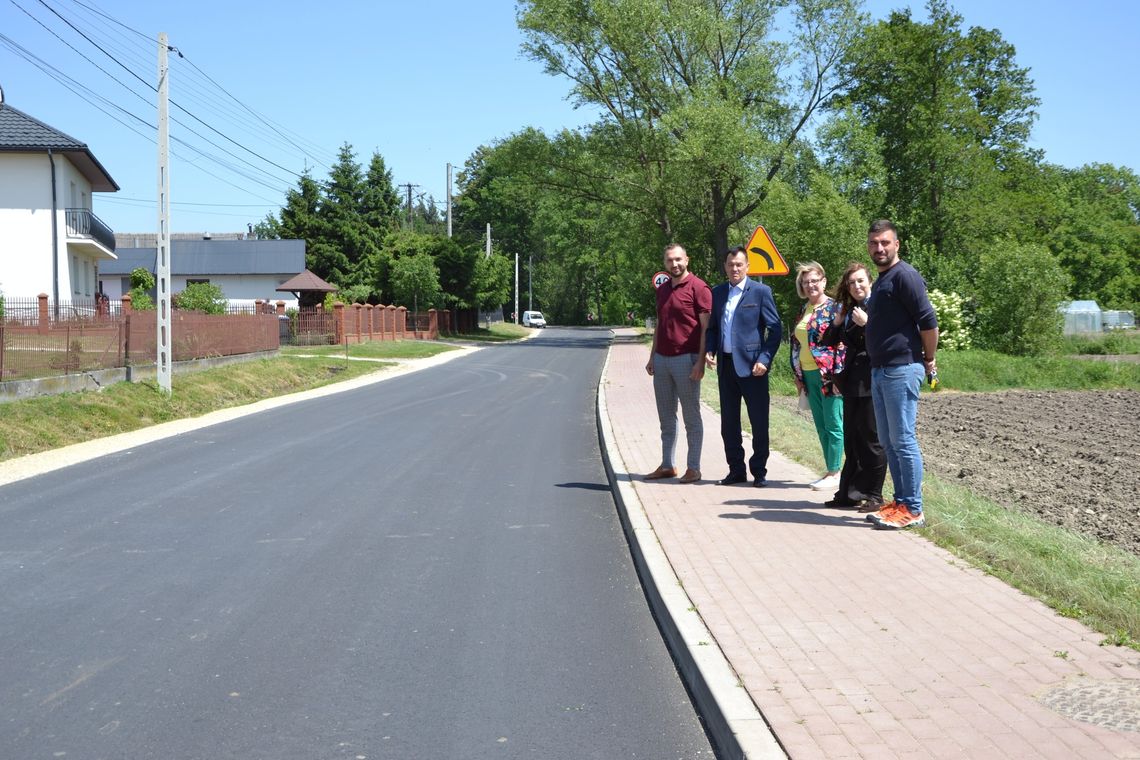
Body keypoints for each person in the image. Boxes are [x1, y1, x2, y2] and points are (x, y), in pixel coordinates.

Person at [862, 220, 939, 530]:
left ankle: (914, 509)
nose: (879, 248)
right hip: (880, 370)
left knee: (903, 440)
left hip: (901, 368)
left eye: (885, 243)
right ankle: (900, 502)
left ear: (897, 245)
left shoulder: (905, 276)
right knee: (889, 440)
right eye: (874, 243)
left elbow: (929, 322)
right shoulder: (883, 279)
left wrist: (929, 359)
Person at [704, 246, 782, 487]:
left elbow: (775, 328)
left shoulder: (760, 292)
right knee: (729, 422)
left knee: (759, 421)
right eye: (730, 264)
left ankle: (759, 471)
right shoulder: (717, 293)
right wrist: (710, 349)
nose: (734, 268)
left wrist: (764, 359)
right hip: (726, 367)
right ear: (725, 267)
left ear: (747, 266)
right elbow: (713, 327)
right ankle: (736, 470)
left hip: (753, 368)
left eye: (739, 264)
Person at [645, 244, 712, 484]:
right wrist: (652, 356)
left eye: (678, 260)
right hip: (662, 360)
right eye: (670, 260)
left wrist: (701, 362)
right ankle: (667, 465)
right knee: (666, 417)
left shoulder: (699, 288)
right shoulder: (662, 289)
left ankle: (693, 468)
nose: (674, 264)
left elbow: (706, 328)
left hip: (687, 359)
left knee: (691, 417)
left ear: (687, 260)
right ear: (665, 263)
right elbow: (660, 326)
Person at [822, 262, 887, 511]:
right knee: (852, 439)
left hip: (872, 379)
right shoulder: (851, 310)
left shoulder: (878, 305)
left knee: (872, 440)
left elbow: (885, 340)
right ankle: (849, 493)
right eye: (851, 283)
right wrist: (838, 322)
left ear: (869, 282)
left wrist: (867, 324)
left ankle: (874, 495)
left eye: (861, 281)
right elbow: (828, 340)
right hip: (852, 381)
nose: (856, 286)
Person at [790, 261, 845, 492]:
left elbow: (842, 344)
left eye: (814, 280)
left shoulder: (835, 308)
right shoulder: (804, 310)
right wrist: (798, 374)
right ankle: (830, 469)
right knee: (821, 425)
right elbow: (796, 343)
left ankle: (836, 472)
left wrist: (838, 376)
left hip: (828, 375)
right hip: (808, 374)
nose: (810, 285)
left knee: (834, 423)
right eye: (806, 282)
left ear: (823, 281)